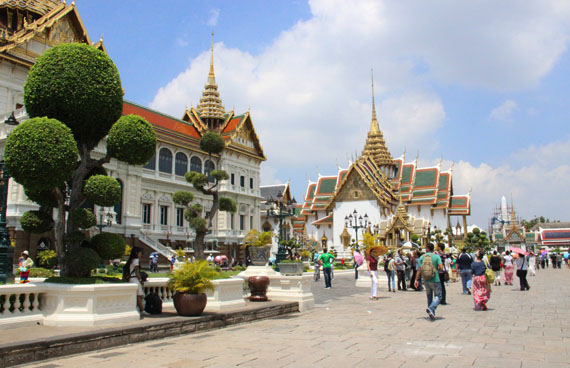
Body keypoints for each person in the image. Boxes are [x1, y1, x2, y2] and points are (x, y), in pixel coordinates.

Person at [415, 243, 443, 321]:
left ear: (426, 248)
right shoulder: (436, 256)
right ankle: (431, 308)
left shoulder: (422, 257)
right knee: (439, 296)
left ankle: (431, 313)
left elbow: (419, 270)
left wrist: (416, 279)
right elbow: (441, 267)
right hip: (435, 279)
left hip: (426, 280)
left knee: (429, 296)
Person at [125, 246, 147, 316]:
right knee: (139, 295)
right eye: (140, 252)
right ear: (136, 253)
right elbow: (137, 272)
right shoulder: (136, 260)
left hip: (131, 279)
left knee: (136, 295)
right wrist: (140, 280)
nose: (140, 254)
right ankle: (142, 310)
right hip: (135, 279)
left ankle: (139, 309)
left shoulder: (131, 260)